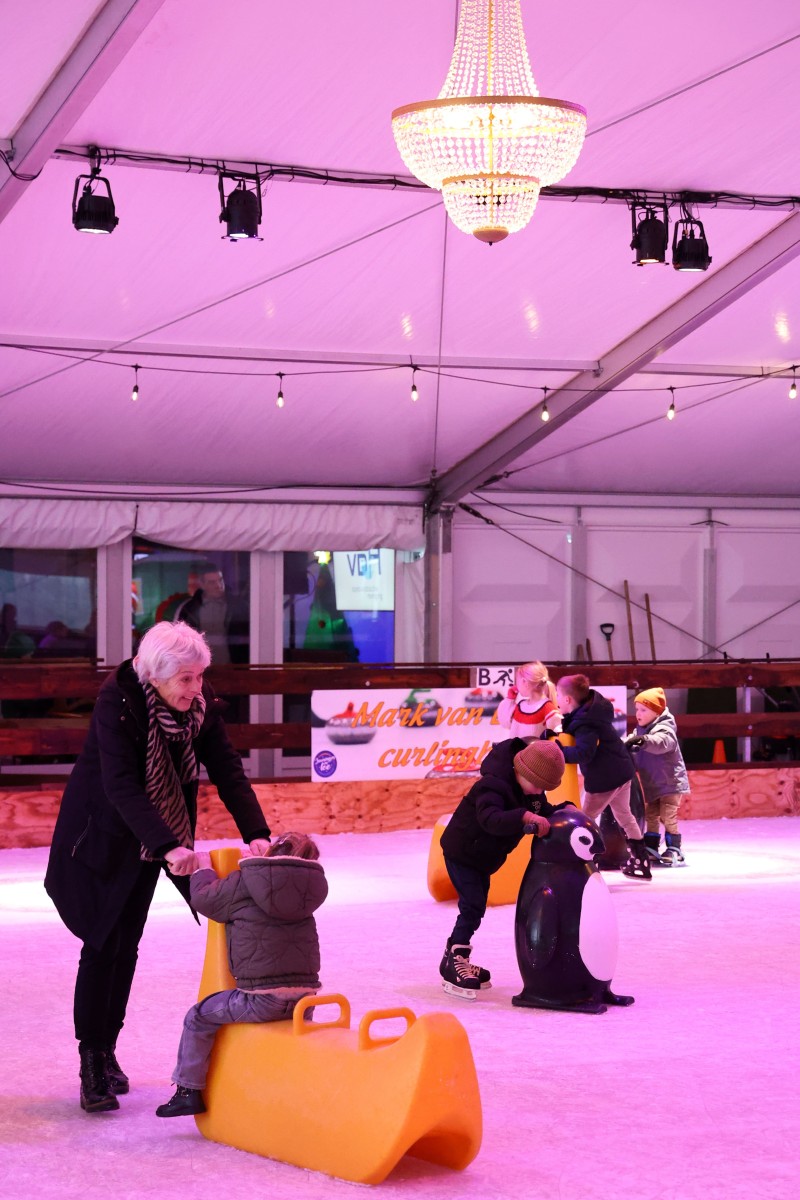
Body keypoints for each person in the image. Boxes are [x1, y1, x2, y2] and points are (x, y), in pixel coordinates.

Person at [44, 621, 271, 1115]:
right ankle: (91, 1059)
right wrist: (168, 845)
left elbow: (226, 767)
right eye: (186, 679)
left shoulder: (197, 706)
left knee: (127, 945)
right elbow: (121, 784)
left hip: (153, 840)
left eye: (200, 676)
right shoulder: (119, 702)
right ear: (155, 674)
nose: (197, 688)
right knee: (102, 943)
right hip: (102, 836)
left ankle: (109, 1048)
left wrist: (256, 832)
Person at [156, 831, 327, 1117]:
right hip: (306, 998)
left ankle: (187, 1091)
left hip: (261, 999)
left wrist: (204, 869)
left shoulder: (248, 880)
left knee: (198, 1016)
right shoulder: (309, 887)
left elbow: (206, 900)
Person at [438, 737, 569, 997]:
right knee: (472, 906)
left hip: (482, 859)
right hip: (462, 853)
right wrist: (523, 816)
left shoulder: (532, 792)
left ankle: (454, 955)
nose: (537, 792)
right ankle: (455, 957)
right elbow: (491, 819)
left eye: (543, 788)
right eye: (536, 785)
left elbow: (543, 809)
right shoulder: (492, 785)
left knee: (476, 908)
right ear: (522, 770)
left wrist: (563, 812)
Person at [554, 673, 651, 880]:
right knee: (625, 815)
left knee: (585, 820)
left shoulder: (585, 723)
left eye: (558, 695)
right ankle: (641, 861)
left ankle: (587, 862)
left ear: (568, 699)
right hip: (622, 772)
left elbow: (584, 753)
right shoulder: (592, 713)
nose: (557, 700)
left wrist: (559, 752)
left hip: (604, 780)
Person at [624, 687, 689, 866]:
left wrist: (644, 741)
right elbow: (630, 741)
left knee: (668, 815)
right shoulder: (640, 731)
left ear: (656, 712)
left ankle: (674, 847)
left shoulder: (665, 728)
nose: (638, 714)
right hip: (652, 783)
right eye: (637, 709)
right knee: (651, 814)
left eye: (643, 710)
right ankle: (651, 846)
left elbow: (662, 742)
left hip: (670, 782)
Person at [495, 660, 562, 741]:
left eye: (517, 681)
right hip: (516, 749)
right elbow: (505, 723)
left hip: (536, 750)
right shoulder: (521, 705)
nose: (516, 685)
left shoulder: (547, 708)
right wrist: (509, 699)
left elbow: (558, 735)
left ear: (524, 682)